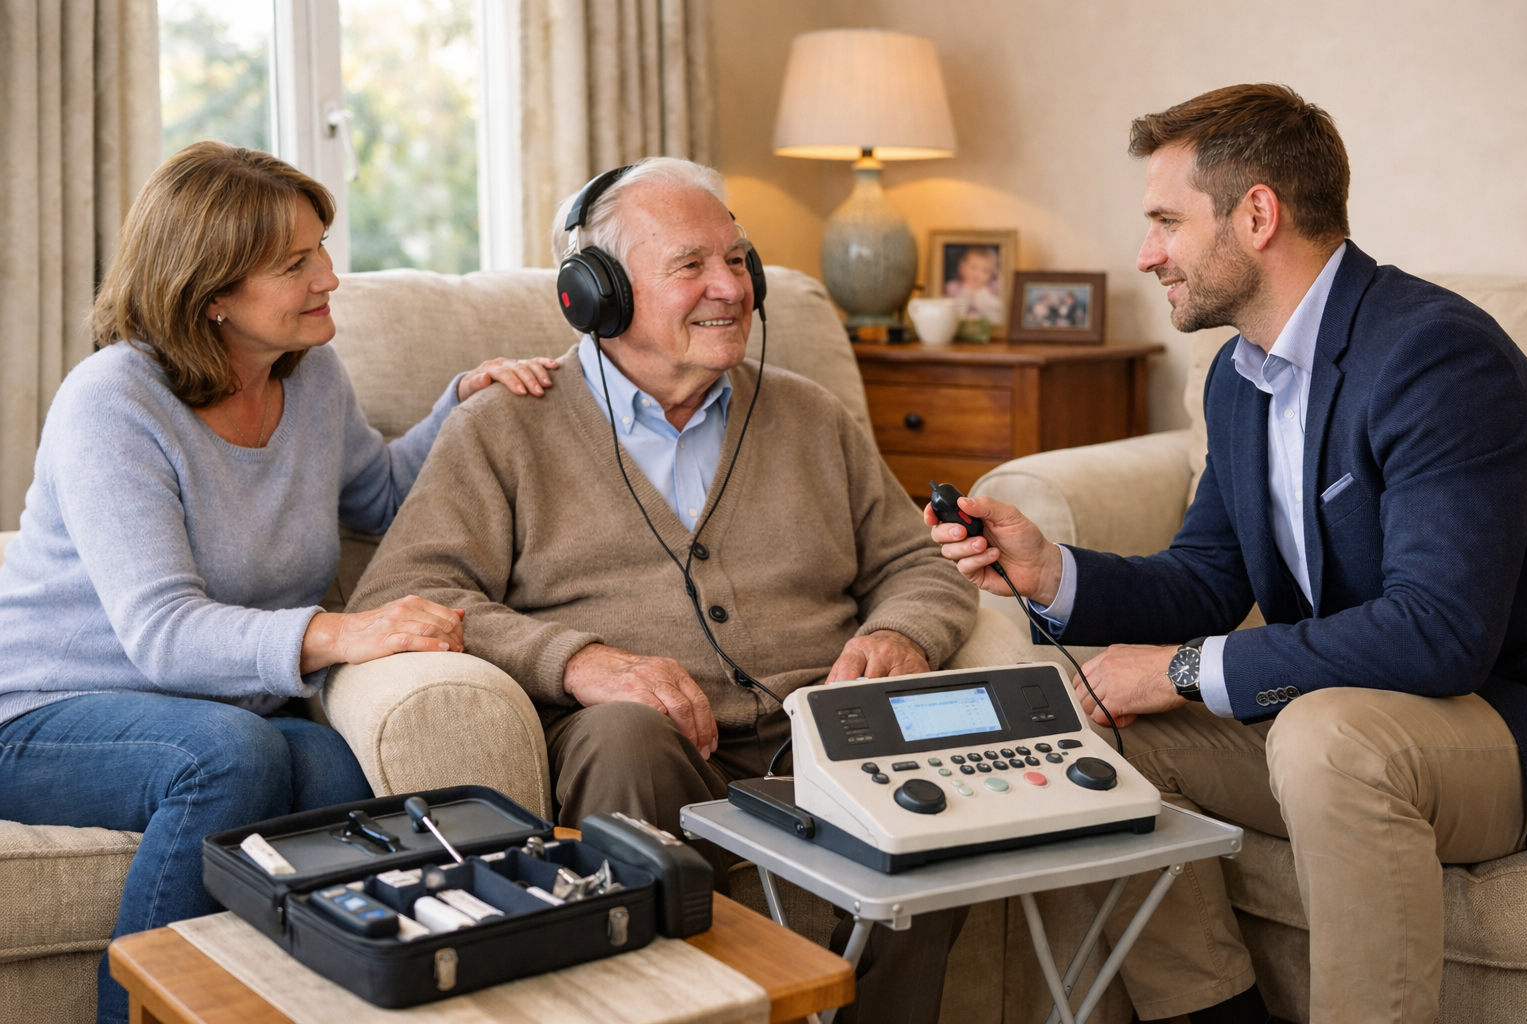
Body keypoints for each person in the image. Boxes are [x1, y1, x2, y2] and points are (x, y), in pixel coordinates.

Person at [932, 84, 1527, 1024]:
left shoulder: (1435, 357)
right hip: (1342, 721)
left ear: (1257, 213)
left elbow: (1442, 633)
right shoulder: (1236, 377)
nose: (1145, 254)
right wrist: (1050, 570)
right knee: (1088, 723)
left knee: (1324, 734)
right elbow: (1208, 578)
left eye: (1166, 221)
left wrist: (1180, 669)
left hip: (1493, 727)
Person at [349, 156, 978, 1023]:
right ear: (597, 291)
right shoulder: (504, 427)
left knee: (930, 750)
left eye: (738, 261)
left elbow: (916, 564)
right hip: (641, 743)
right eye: (691, 267)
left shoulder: (811, 415)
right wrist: (576, 661)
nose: (730, 288)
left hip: (826, 728)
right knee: (625, 736)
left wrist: (906, 633)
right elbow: (408, 592)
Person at [0, 142, 559, 1024]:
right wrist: (346, 632)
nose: (330, 276)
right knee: (232, 757)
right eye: (296, 263)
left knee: (336, 776)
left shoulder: (310, 378)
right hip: (42, 711)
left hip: (213, 712)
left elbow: (377, 495)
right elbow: (164, 632)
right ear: (212, 291)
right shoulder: (113, 402)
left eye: (322, 249)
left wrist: (465, 401)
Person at [944, 244, 1004, 322]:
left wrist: (997, 273)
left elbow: (1006, 284)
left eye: (985, 271)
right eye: (973, 267)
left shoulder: (993, 288)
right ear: (962, 267)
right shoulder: (952, 288)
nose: (977, 274)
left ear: (992, 274)